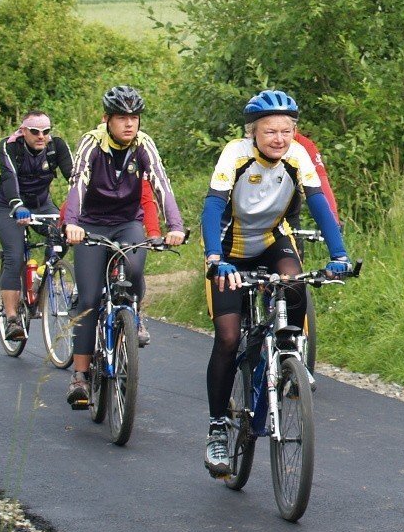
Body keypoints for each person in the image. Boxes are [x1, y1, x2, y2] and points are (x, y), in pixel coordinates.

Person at [200, 90, 352, 477]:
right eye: (271, 131)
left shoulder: (296, 157)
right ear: (254, 132)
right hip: (229, 249)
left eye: (287, 131)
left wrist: (339, 255)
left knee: (295, 283)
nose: (279, 139)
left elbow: (318, 202)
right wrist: (216, 259)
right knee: (229, 338)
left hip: (271, 240)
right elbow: (213, 205)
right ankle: (218, 427)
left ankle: (287, 354)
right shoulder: (235, 154)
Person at [63, 86, 185, 407]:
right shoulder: (92, 143)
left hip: (127, 223)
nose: (129, 124)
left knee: (133, 267)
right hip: (89, 224)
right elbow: (77, 182)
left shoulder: (144, 145)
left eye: (134, 117)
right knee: (88, 298)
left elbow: (161, 183)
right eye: (121, 118)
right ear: (107, 119)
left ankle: (131, 316)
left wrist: (175, 226)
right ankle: (80, 376)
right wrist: (72, 223)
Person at [0, 110, 73, 340]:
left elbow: (74, 176)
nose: (42, 136)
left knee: (62, 237)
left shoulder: (56, 146)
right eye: (35, 131)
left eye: (46, 131)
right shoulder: (10, 146)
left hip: (41, 204)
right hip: (10, 206)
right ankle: (11, 319)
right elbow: (9, 177)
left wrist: (84, 204)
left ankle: (40, 275)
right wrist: (17, 205)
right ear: (23, 130)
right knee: (15, 256)